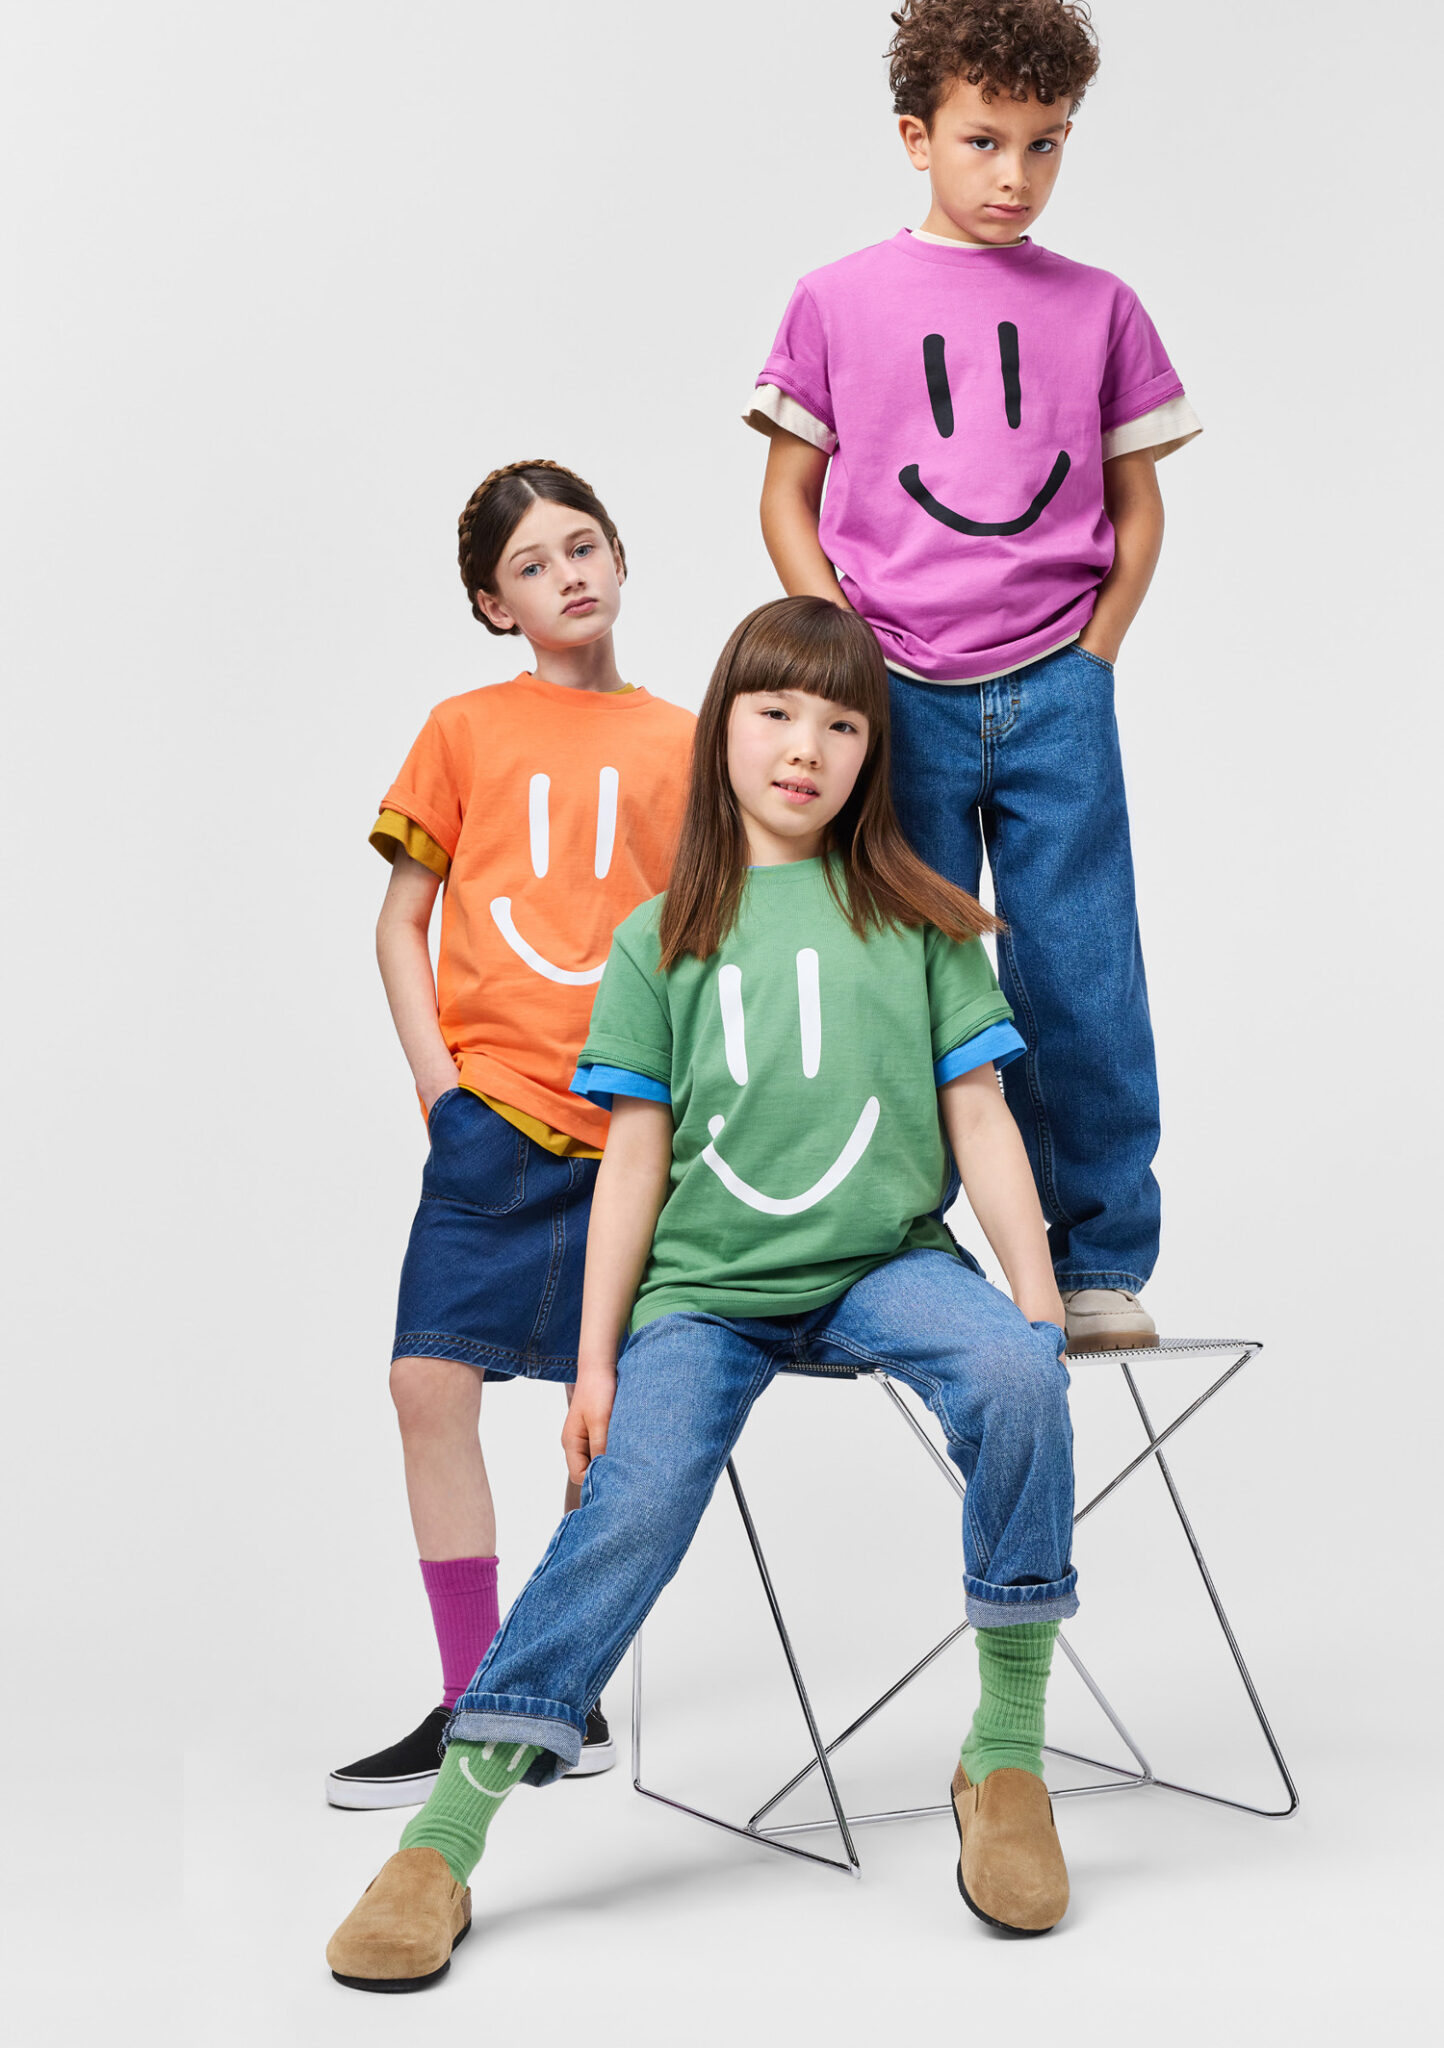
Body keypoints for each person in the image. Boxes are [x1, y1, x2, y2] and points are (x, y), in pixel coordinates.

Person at [326, 595, 1080, 1990]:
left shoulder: (920, 921)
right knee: (632, 1497)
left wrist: (1035, 1303)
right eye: (776, 712)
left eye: (842, 724)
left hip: (884, 1264)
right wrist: (595, 1362)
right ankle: (447, 1835)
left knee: (1017, 1377)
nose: (806, 747)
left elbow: (978, 1116)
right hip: (706, 1290)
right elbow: (634, 1159)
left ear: (872, 753)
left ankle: (1007, 1758)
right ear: (722, 725)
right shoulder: (656, 936)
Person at [747, 0, 1202, 1351]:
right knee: (905, 978)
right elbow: (786, 497)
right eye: (984, 140)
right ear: (917, 137)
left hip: (1056, 689)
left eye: (1044, 144)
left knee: (1082, 973)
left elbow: (1138, 503)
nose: (1015, 175)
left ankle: (1099, 1258)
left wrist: (1095, 656)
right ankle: (908, 1250)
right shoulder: (837, 299)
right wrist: (848, 662)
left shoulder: (1101, 307)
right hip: (897, 697)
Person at [325, 460, 695, 1809]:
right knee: (428, 1383)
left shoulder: (686, 741)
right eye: (531, 566)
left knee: (608, 1419)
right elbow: (400, 922)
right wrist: (441, 1088)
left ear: (620, 557)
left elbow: (710, 937)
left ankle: (558, 1695)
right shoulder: (465, 729)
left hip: (632, 1132)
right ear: (495, 605)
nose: (567, 576)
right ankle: (471, 1695)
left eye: (583, 546)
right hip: (493, 1121)